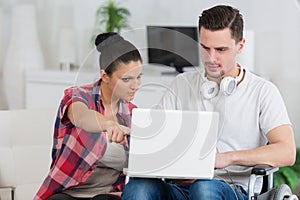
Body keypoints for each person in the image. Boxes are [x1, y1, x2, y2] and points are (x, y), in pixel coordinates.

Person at [121, 5, 296, 200]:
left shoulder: (263, 91)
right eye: (205, 48)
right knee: (139, 186)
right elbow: (158, 138)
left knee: (204, 188)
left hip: (232, 189)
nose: (211, 58)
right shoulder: (181, 84)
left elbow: (286, 151)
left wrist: (226, 159)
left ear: (240, 45)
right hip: (181, 187)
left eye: (221, 49)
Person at [34, 32, 143, 200]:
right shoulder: (78, 96)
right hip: (69, 193)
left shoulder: (133, 114)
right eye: (127, 79)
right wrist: (108, 124)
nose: (135, 86)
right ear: (105, 76)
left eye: (139, 77)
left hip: (107, 195)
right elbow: (82, 116)